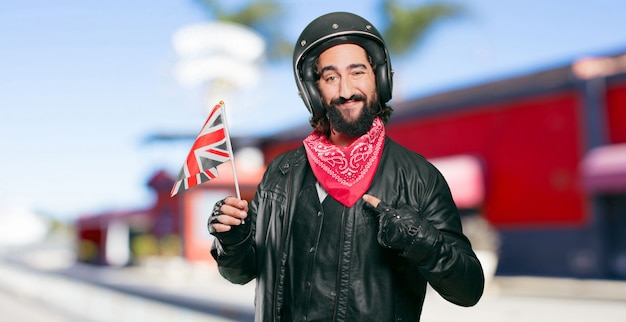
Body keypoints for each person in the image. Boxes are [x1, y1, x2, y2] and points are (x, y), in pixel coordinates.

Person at [208, 11, 484, 322]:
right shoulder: (279, 174)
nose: (345, 90)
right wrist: (233, 239)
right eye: (330, 77)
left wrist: (419, 239)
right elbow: (241, 273)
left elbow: (468, 290)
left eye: (357, 72)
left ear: (379, 78)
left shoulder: (419, 178)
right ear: (314, 91)